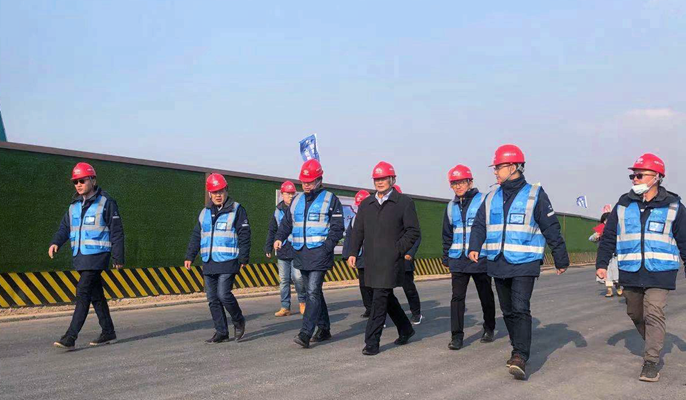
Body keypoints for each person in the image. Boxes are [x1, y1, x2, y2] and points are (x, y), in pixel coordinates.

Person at [469, 144, 569, 380]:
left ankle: (520, 356)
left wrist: (560, 257)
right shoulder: (490, 197)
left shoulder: (535, 194)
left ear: (513, 167)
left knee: (520, 307)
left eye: (498, 167)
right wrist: (474, 246)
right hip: (498, 261)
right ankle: (517, 348)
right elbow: (480, 224)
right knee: (508, 310)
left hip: (525, 262)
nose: (495, 172)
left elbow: (550, 227)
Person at [596, 153, 686, 382]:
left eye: (639, 175)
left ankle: (651, 361)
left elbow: (684, 240)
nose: (634, 179)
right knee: (635, 313)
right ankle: (654, 340)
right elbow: (609, 236)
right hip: (631, 270)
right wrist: (602, 264)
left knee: (654, 312)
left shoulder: (673, 205)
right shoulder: (623, 204)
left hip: (661, 271)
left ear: (657, 177)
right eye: (633, 176)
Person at [348, 161, 421, 356]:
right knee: (386, 297)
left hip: (391, 261)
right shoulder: (366, 204)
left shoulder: (404, 202)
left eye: (383, 178)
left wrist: (397, 249)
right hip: (371, 259)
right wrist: (353, 252)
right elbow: (358, 231)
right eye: (377, 179)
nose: (380, 182)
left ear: (392, 179)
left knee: (379, 299)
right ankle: (405, 328)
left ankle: (372, 341)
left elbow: (413, 231)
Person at [50, 162, 124, 350]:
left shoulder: (106, 202)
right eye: (75, 182)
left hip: (98, 255)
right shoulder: (73, 206)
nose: (78, 185)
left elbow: (116, 231)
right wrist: (56, 242)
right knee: (96, 295)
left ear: (93, 180)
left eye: (82, 180)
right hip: (81, 256)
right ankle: (108, 332)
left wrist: (118, 256)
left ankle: (70, 337)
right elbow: (65, 227)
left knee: (83, 291)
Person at [274, 159, 345, 349]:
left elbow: (338, 227)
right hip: (301, 253)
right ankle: (324, 329)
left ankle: (305, 333)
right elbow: (287, 223)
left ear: (319, 180)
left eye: (310, 181)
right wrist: (279, 237)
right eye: (304, 181)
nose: (306, 185)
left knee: (312, 291)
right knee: (314, 292)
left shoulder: (330, 199)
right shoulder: (296, 201)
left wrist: (327, 247)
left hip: (320, 253)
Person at [185, 173, 250, 343]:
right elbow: (197, 235)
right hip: (209, 260)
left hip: (228, 260)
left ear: (226, 190)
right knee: (212, 298)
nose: (218, 195)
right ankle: (221, 331)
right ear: (209, 193)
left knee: (223, 294)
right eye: (214, 192)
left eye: (220, 191)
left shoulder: (237, 209)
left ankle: (238, 320)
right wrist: (190, 256)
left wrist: (244, 257)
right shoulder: (204, 212)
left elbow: (244, 234)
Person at [443, 164, 496, 350]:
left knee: (485, 295)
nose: (458, 186)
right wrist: (446, 257)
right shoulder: (450, 207)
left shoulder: (483, 200)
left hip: (480, 258)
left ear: (470, 182)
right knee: (457, 298)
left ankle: (489, 327)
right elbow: (447, 234)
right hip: (458, 259)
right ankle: (456, 336)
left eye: (461, 182)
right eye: (454, 183)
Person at [265, 180, 307, 316]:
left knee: (297, 277)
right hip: (282, 250)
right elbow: (272, 230)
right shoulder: (277, 211)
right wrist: (268, 247)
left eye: (292, 193)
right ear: (282, 194)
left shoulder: (299, 209)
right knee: (283, 280)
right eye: (287, 193)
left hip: (296, 249)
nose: (290, 196)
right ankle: (285, 307)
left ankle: (303, 302)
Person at [391, 184, 423, 323]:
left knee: (408, 288)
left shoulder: (407, 211)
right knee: (385, 290)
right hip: (389, 258)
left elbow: (416, 235)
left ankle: (416, 313)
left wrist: (409, 253)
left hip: (404, 258)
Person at [343, 190, 373, 317]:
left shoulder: (377, 217)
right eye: (359, 205)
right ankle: (369, 308)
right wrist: (348, 255)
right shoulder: (354, 219)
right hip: (361, 257)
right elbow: (349, 237)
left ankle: (378, 310)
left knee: (375, 285)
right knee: (364, 285)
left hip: (375, 256)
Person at [589, 212, 622, 297]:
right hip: (605, 256)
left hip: (616, 255)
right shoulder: (600, 230)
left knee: (616, 273)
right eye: (606, 220)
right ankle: (609, 290)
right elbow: (591, 238)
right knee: (607, 274)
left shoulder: (617, 229)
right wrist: (596, 237)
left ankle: (618, 287)